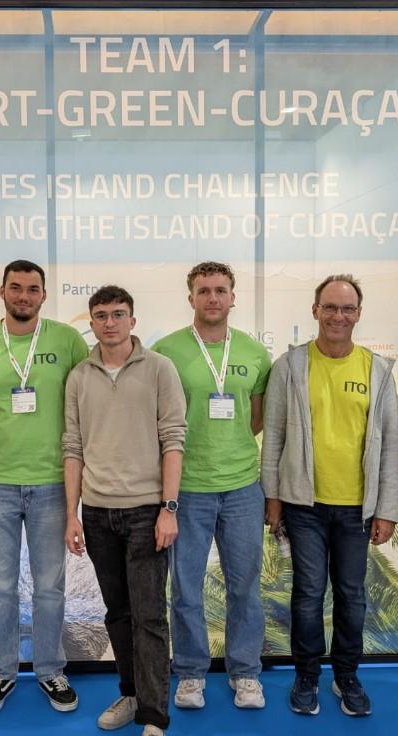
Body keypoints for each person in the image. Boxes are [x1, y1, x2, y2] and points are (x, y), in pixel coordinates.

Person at [0, 259, 88, 715]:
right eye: (16, 288)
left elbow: (84, 401)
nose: (24, 296)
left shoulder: (67, 341)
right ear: (3, 292)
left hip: (52, 483)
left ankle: (50, 669)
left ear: (44, 295)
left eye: (32, 289)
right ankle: (1, 672)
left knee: (49, 586)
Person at [261, 274, 398, 718]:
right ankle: (306, 676)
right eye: (330, 307)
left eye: (347, 308)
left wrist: (386, 509)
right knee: (307, 593)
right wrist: (273, 497)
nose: (338, 316)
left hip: (357, 508)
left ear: (358, 314)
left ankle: (346, 675)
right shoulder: (290, 366)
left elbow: (390, 445)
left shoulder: (378, 370)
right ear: (315, 310)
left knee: (351, 595)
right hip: (304, 506)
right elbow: (274, 435)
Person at [63, 285, 186, 736]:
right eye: (101, 315)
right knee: (117, 612)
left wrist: (168, 508)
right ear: (91, 322)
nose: (109, 322)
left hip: (146, 512)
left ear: (132, 320)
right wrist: (71, 513)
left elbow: (173, 439)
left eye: (118, 314)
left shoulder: (160, 369)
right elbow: (73, 447)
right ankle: (132, 693)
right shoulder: (79, 376)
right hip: (97, 513)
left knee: (149, 617)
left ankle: (154, 725)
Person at [152, 261, 271, 710]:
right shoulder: (166, 351)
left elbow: (255, 417)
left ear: (233, 297)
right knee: (186, 588)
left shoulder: (254, 353)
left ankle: (246, 672)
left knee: (245, 586)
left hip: (242, 487)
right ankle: (189, 672)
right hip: (187, 489)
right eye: (204, 291)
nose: (213, 298)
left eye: (221, 290)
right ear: (191, 298)